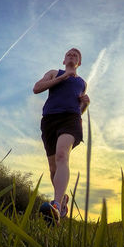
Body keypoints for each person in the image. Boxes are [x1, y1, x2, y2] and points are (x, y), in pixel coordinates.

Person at [33, 48, 90, 224]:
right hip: (49, 120)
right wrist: (62, 77)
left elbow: (78, 111)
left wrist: (84, 105)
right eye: (69, 55)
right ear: (64, 61)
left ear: (79, 63)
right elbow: (36, 88)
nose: (72, 56)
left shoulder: (82, 83)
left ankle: (55, 205)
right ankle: (63, 200)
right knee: (53, 168)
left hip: (70, 120)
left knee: (62, 155)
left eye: (76, 55)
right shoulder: (53, 73)